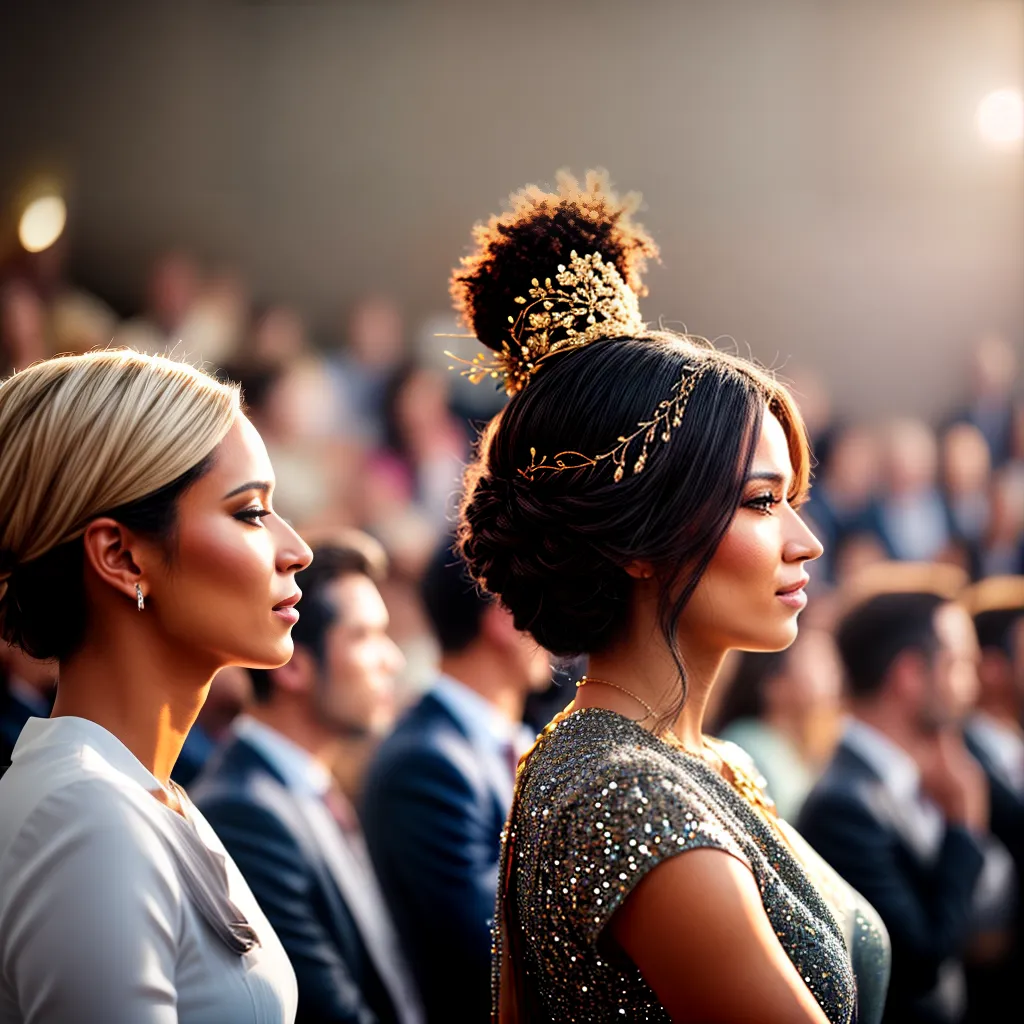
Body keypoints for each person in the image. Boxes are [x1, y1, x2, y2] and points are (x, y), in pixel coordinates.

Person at [446, 170, 890, 1023]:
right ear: (639, 542)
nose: (807, 540)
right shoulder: (622, 793)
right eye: (762, 502)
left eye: (793, 498)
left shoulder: (710, 763)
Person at [0, 349, 311, 1024]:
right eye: (251, 512)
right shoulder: (84, 814)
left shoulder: (145, 792)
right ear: (120, 555)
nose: (297, 548)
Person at [193, 536, 423, 1024]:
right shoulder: (245, 814)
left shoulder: (308, 787)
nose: (392, 660)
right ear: (294, 665)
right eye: (364, 636)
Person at [361, 538, 550, 1023]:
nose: (556, 621)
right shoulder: (426, 764)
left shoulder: (519, 739)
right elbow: (487, 952)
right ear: (502, 619)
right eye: (542, 597)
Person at [798, 588, 990, 1024]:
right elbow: (918, 960)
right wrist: (965, 830)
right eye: (958, 665)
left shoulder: (914, 779)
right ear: (908, 674)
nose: (972, 686)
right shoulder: (844, 804)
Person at [712, 628, 844, 821]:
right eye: (816, 661)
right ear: (773, 682)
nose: (833, 671)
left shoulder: (802, 747)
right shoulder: (747, 745)